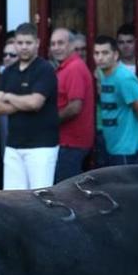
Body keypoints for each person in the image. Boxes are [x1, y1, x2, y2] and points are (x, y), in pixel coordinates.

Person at [0, 23, 59, 190]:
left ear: (37, 43)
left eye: (28, 43)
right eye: (20, 43)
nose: (24, 47)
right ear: (14, 43)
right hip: (13, 145)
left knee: (41, 198)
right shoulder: (8, 71)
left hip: (41, 147)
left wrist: (8, 96)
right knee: (13, 200)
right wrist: (24, 102)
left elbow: (35, 103)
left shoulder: (45, 69)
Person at [92, 36, 138, 165]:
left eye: (105, 53)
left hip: (129, 149)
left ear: (116, 55)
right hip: (114, 146)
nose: (100, 57)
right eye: (96, 53)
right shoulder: (103, 74)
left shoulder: (124, 78)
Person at [50, 28, 95, 182]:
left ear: (71, 45)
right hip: (66, 142)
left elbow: (75, 107)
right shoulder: (66, 67)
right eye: (53, 44)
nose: (56, 47)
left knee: (66, 194)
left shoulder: (74, 67)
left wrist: (48, 122)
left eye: (60, 43)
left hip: (72, 143)